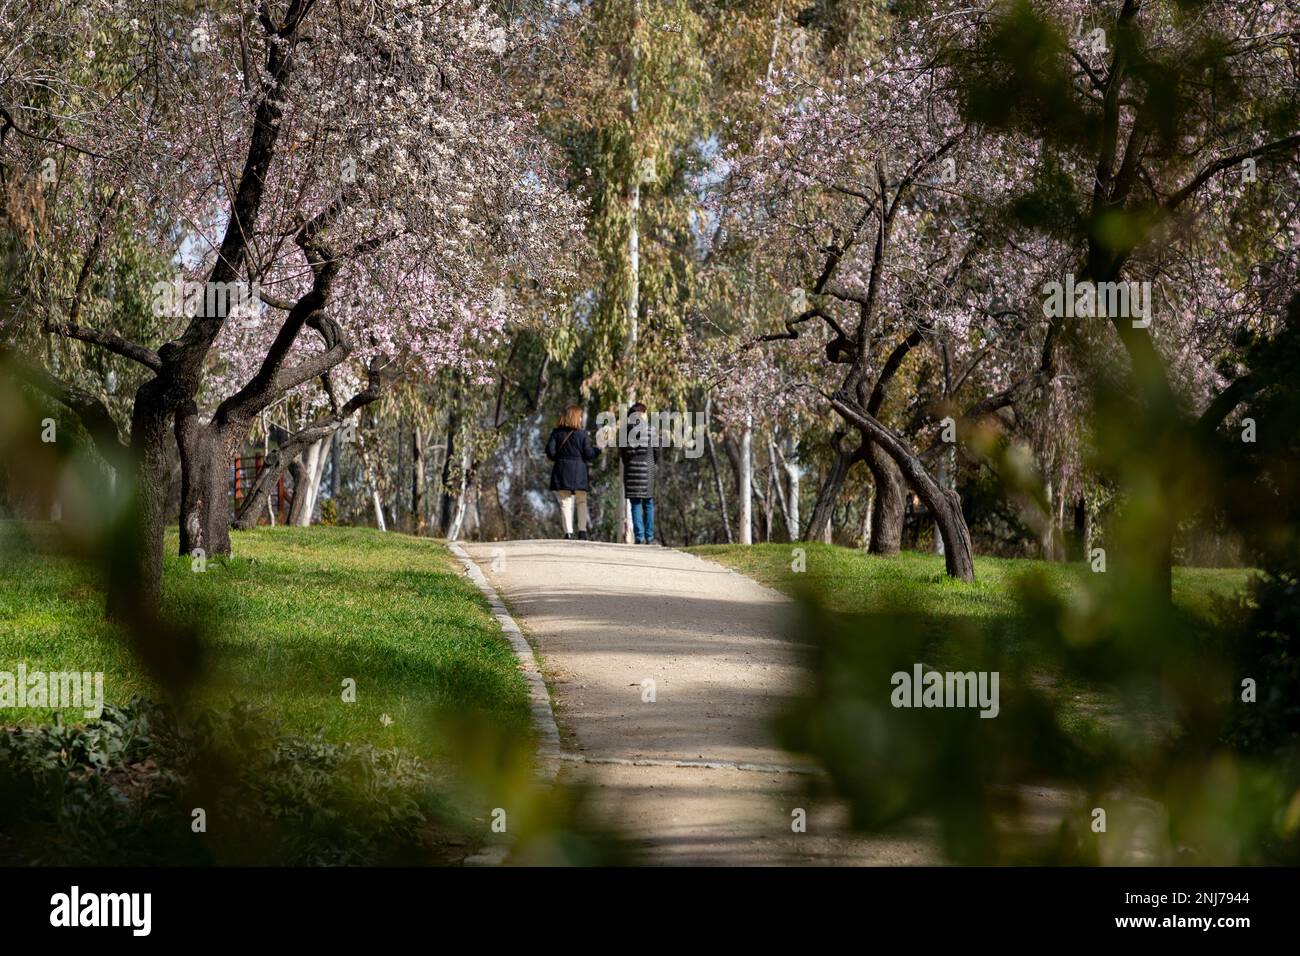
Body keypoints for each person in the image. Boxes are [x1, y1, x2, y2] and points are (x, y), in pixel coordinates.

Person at [545, 404, 600, 540]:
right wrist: (598, 449)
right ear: (575, 417)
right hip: (579, 472)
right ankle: (582, 531)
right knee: (581, 501)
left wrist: (560, 457)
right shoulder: (582, 435)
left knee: (565, 502)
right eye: (580, 417)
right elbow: (588, 455)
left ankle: (568, 532)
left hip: (562, 470)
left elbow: (550, 452)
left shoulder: (556, 433)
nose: (581, 419)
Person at [618, 402, 660, 545]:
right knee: (648, 503)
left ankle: (639, 537)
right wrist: (653, 463)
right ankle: (649, 537)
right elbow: (656, 452)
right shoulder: (650, 430)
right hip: (647, 471)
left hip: (631, 471)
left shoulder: (623, 432)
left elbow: (622, 455)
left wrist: (629, 464)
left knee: (635, 504)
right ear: (641, 414)